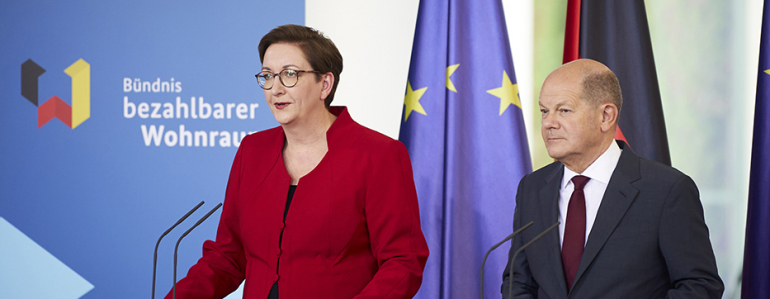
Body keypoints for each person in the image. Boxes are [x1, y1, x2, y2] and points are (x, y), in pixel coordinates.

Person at [166, 24, 429, 299]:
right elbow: (228, 257)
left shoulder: (378, 155)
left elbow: (404, 261)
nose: (275, 89)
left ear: (324, 84)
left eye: (289, 74)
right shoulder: (251, 151)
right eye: (267, 76)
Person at [501, 59, 723, 298]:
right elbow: (518, 283)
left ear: (606, 116)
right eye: (544, 111)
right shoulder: (532, 188)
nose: (548, 123)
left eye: (564, 110)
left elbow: (700, 287)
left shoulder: (667, 190)